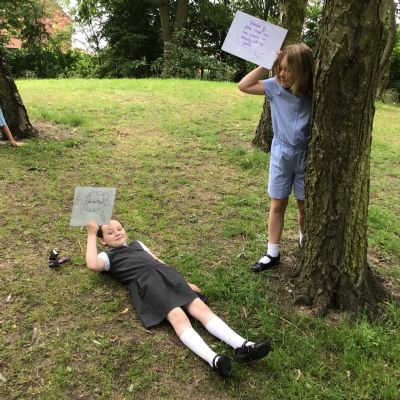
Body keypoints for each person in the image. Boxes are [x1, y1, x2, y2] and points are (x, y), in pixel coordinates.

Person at [85, 219, 272, 377]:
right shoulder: (107, 257)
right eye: (110, 233)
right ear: (103, 241)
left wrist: (184, 282)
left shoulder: (138, 244)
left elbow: (158, 261)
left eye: (119, 229)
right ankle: (213, 360)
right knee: (178, 317)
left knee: (200, 308)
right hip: (148, 285)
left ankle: (242, 345)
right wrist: (91, 233)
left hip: (169, 277)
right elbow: (92, 265)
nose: (117, 233)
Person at [238, 43, 313, 273]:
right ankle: (272, 252)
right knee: (278, 203)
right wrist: (266, 64)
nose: (281, 73)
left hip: (307, 156)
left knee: (304, 204)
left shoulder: (314, 91)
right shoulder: (274, 86)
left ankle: (305, 242)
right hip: (281, 154)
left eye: (288, 69)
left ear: (303, 71)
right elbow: (244, 85)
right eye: (280, 68)